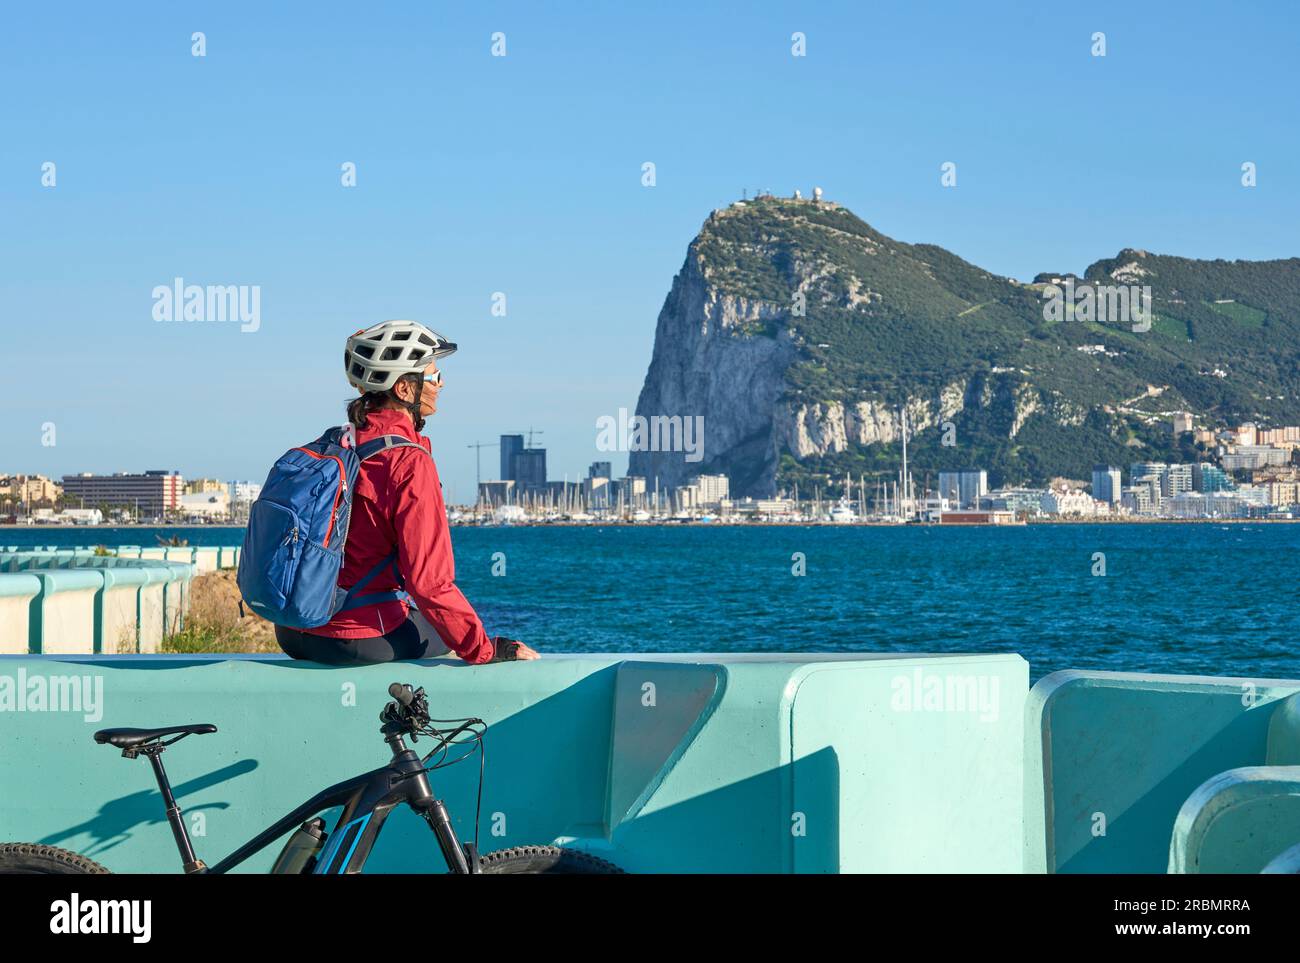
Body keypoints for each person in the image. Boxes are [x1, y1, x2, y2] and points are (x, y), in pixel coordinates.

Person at [274, 319, 540, 666]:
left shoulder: (335, 444)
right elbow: (429, 583)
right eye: (434, 376)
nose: (442, 384)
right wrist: (487, 650)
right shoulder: (408, 462)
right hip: (354, 638)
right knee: (434, 630)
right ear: (403, 389)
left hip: (294, 631)